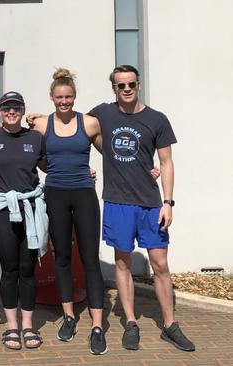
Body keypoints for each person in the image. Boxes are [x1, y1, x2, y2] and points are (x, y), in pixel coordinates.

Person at [88, 65, 194, 352]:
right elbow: (72, 126)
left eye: (131, 84)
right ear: (113, 88)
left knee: (160, 264)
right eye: (120, 85)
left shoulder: (157, 119)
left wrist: (168, 202)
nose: (126, 90)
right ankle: (131, 322)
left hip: (150, 204)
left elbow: (167, 162)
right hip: (118, 202)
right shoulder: (103, 113)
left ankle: (170, 325)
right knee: (122, 263)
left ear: (138, 85)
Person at [29, 68, 107, 355]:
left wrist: (148, 168)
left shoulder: (89, 123)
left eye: (69, 97)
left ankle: (97, 326)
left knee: (90, 260)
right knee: (61, 256)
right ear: (52, 97)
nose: (64, 102)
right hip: (56, 194)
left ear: (75, 97)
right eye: (60, 97)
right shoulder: (40, 124)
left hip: (84, 194)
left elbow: (112, 153)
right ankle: (69, 317)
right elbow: (31, 155)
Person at [0, 91, 48, 351]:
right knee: (9, 269)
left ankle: (28, 324)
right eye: (7, 107)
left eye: (16, 107)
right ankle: (12, 326)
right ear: (0, 110)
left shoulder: (35, 138)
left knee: (28, 269)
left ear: (23, 110)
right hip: (3, 211)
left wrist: (84, 169)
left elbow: (48, 166)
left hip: (30, 208)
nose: (12, 112)